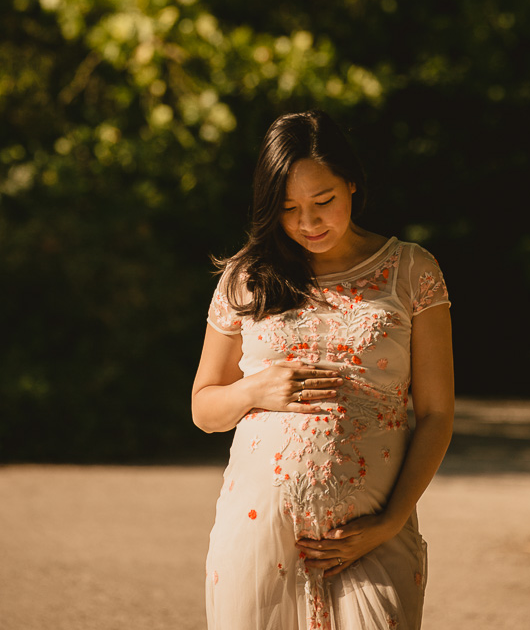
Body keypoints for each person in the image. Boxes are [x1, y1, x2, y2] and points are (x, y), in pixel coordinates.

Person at [192, 109, 454, 630]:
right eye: (288, 209)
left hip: (371, 531)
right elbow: (204, 407)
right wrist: (253, 390)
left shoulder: (411, 271)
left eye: (323, 202)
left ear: (352, 183)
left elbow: (437, 413)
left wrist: (389, 523)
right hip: (257, 530)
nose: (308, 223)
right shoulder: (249, 276)